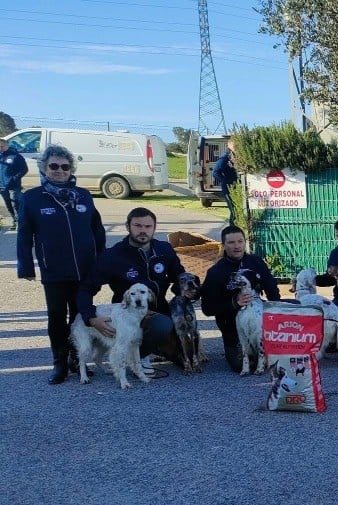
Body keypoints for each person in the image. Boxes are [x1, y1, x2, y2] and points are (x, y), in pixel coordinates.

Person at [16, 145, 106, 384]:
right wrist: (26, 266)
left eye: (65, 167)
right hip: (54, 270)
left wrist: (101, 260)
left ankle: (78, 360)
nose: (59, 171)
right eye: (53, 166)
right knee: (57, 317)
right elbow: (24, 235)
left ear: (71, 170)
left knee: (80, 316)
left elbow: (96, 229)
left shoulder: (84, 195)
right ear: (44, 168)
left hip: (84, 269)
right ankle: (59, 363)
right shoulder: (32, 198)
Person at [77, 207, 186, 374]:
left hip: (159, 309)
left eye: (148, 226)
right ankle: (136, 356)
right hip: (128, 314)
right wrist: (90, 318)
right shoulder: (113, 256)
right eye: (138, 225)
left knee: (180, 347)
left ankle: (156, 346)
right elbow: (85, 289)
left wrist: (188, 290)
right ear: (127, 227)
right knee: (162, 325)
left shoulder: (164, 249)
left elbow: (179, 278)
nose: (143, 230)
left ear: (154, 228)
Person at [201, 225, 282, 373]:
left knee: (296, 306)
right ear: (223, 245)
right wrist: (234, 303)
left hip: (260, 319)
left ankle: (272, 343)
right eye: (231, 242)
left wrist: (277, 315)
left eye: (240, 241)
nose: (237, 246)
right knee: (242, 365)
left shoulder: (256, 262)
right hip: (233, 326)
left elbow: (272, 291)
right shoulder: (215, 272)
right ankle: (234, 348)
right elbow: (207, 309)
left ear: (245, 242)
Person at [0, 137, 29, 230]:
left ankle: (21, 221)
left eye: (2, 146)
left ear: (7, 145)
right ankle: (14, 220)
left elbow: (24, 169)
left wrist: (14, 178)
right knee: (8, 204)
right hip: (1, 185)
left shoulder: (16, 156)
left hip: (13, 185)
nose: (0, 148)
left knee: (16, 204)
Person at [211, 139, 238, 226]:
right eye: (235, 145)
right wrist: (226, 182)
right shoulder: (225, 158)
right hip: (229, 189)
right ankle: (232, 229)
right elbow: (215, 172)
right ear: (229, 145)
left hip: (237, 188)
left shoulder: (237, 157)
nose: (237, 147)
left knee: (238, 210)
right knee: (234, 211)